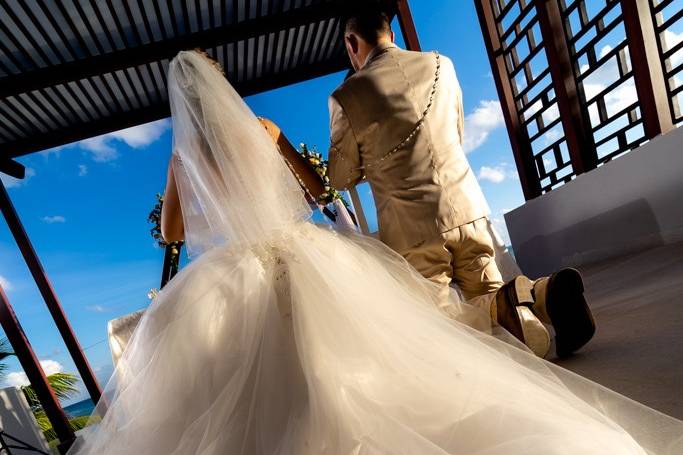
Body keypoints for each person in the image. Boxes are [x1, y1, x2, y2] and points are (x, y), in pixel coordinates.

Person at [67, 50, 683, 455]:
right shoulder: (264, 131)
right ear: (225, 88)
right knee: (391, 345)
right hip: (301, 252)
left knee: (244, 378)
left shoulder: (180, 161)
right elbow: (312, 193)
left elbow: (173, 234)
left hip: (232, 269)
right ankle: (522, 309)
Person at [327, 2, 594, 358]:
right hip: (467, 208)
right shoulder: (442, 65)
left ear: (351, 43)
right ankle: (541, 295)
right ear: (391, 35)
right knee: (488, 291)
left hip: (412, 230)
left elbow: (342, 176)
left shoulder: (346, 96)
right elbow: (456, 132)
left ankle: (527, 315)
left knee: (438, 322)